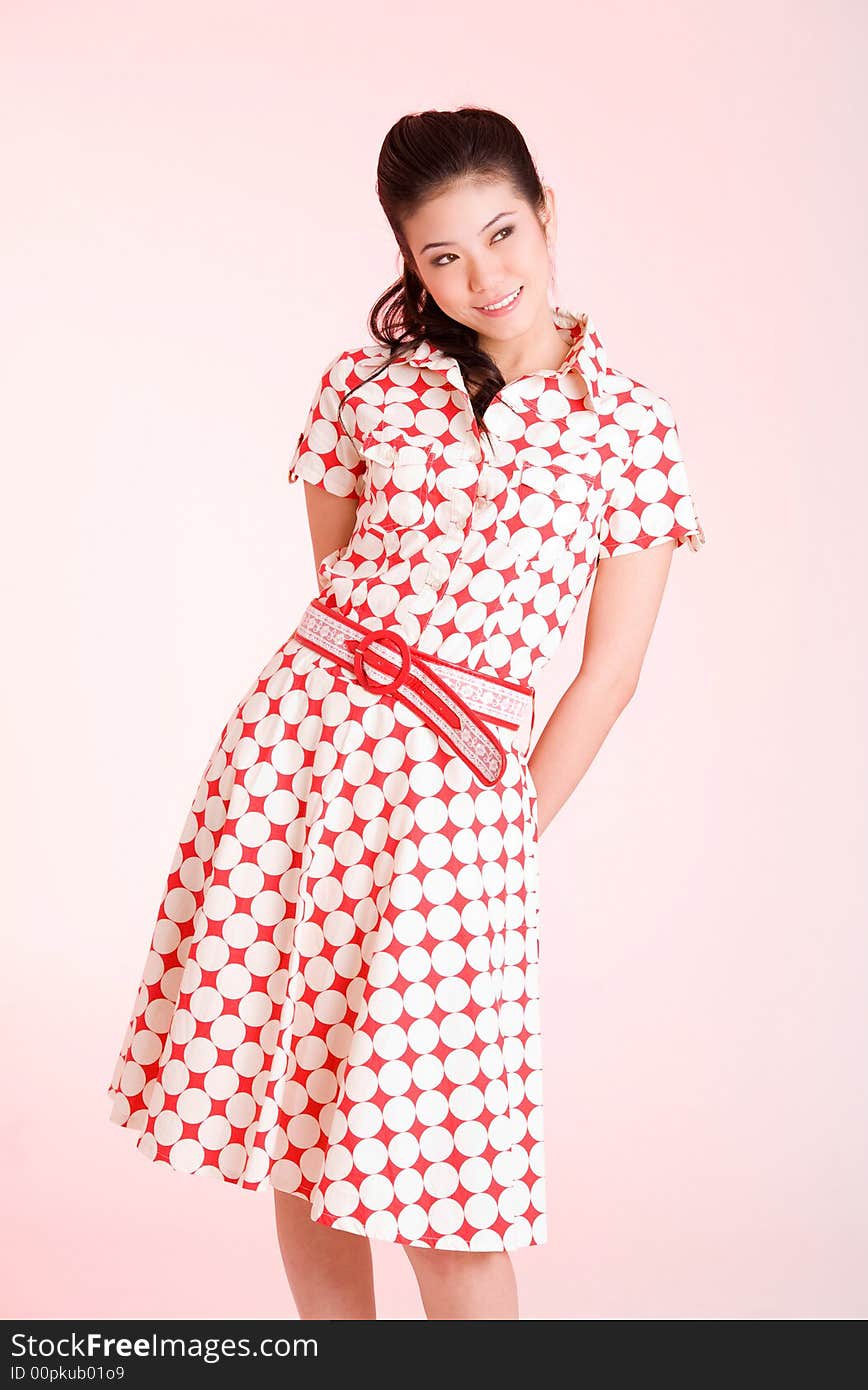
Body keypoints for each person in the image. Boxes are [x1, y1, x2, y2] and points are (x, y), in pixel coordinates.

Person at [106, 105, 706, 1322]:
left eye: (501, 233)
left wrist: (505, 816)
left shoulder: (628, 430)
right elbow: (337, 587)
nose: (485, 275)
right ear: (408, 264)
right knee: (302, 1115)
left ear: (545, 218)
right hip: (298, 759)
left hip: (459, 800)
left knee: (446, 1173)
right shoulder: (364, 387)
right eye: (443, 255)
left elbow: (611, 667)